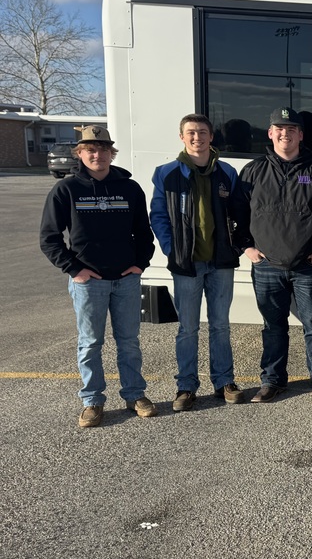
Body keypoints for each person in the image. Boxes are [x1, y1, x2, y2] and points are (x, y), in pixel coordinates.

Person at [40, 125, 157, 427]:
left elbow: (144, 232)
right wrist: (74, 269)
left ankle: (135, 394)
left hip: (126, 280)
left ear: (111, 153)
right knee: (90, 343)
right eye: (90, 149)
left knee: (129, 342)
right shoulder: (66, 189)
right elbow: (49, 238)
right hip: (88, 282)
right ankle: (92, 400)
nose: (97, 155)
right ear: (80, 153)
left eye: (103, 149)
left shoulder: (129, 188)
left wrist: (140, 263)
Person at [234, 107, 312, 404]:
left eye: (292, 129)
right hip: (266, 265)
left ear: (301, 135)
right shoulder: (253, 171)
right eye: (280, 128)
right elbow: (237, 213)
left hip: (309, 266)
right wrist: (246, 248)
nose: (286, 134)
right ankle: (272, 381)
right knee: (273, 328)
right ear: (270, 133)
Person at [151, 113, 247, 412]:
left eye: (202, 132)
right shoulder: (166, 173)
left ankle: (224, 382)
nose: (197, 138)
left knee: (220, 326)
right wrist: (172, 250)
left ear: (211, 137)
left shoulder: (227, 172)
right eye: (191, 132)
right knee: (188, 328)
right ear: (182, 137)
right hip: (187, 264)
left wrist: (236, 247)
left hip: (220, 262)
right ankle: (186, 386)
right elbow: (159, 216)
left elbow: (241, 213)